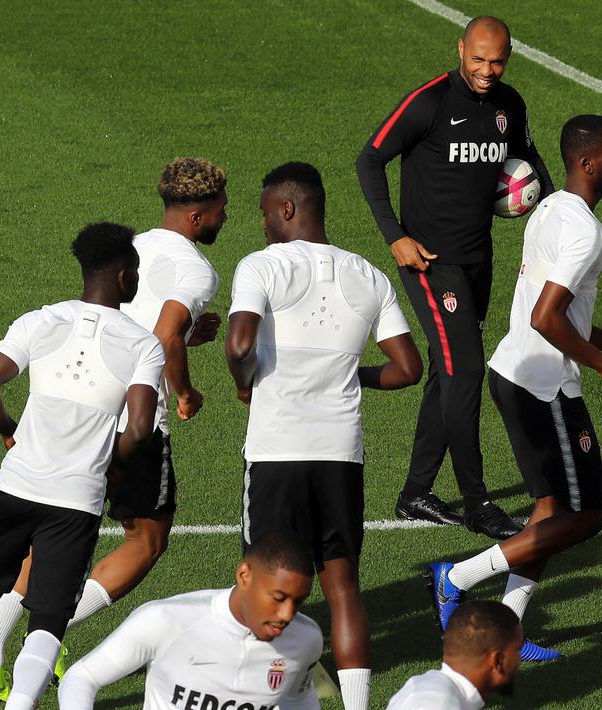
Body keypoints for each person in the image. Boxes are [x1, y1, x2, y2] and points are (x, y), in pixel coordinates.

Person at [0, 157, 228, 699]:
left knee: (47, 531)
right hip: (135, 419)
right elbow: (164, 337)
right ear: (200, 216)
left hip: (78, 410)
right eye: (223, 208)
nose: (228, 215)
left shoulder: (134, 248)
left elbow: (132, 322)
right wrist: (184, 392)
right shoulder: (198, 271)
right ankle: (52, 638)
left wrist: (185, 338)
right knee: (146, 541)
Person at [0, 223, 164, 710]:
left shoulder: (40, 320)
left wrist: (10, 432)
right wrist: (110, 468)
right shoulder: (142, 345)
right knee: (47, 624)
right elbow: (138, 429)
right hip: (76, 502)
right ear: (123, 274)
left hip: (14, 487)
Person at [427, 114, 602, 662]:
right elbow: (549, 317)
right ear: (588, 162)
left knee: (550, 509)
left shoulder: (549, 208)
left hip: (518, 372)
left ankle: (510, 627)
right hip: (542, 386)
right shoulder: (584, 229)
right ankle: (456, 575)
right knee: (585, 515)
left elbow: (549, 304)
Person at [225, 161, 421, 710]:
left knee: (261, 584)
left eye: (265, 212)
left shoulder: (262, 266)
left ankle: (253, 697)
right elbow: (408, 368)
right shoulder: (369, 275)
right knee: (342, 587)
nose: (262, 224)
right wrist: (349, 375)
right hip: (340, 455)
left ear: (287, 208)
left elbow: (240, 346)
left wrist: (246, 385)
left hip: (276, 451)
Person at [356, 15, 555, 539]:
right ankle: (477, 502)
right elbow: (370, 161)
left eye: (498, 61)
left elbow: (529, 160)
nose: (488, 71)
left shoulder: (510, 106)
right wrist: (394, 235)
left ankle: (416, 492)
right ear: (460, 49)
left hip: (477, 260)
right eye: (478, 59)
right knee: (467, 371)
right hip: (428, 262)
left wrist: (557, 216)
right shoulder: (429, 102)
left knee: (449, 373)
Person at [58, 531, 323, 708]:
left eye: (298, 602)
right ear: (244, 576)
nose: (287, 614)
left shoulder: (306, 640)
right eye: (278, 597)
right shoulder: (167, 620)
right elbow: (82, 678)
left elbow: (300, 698)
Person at [387, 600, 523, 709]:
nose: (520, 660)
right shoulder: (439, 703)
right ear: (498, 660)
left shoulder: (433, 688)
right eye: (517, 650)